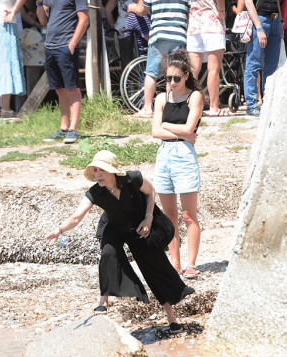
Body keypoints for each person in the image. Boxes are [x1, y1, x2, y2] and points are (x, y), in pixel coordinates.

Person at [45, 150, 195, 332]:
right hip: (114, 227)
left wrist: (148, 218)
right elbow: (76, 217)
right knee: (109, 253)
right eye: (95, 170)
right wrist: (59, 229)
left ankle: (171, 318)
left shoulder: (133, 179)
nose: (98, 174)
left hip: (139, 226)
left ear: (113, 171)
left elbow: (151, 192)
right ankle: (104, 301)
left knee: (153, 266)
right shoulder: (95, 192)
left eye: (102, 170)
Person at [152, 49, 202, 278]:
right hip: (164, 158)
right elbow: (155, 131)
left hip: (184, 158)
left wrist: (169, 128)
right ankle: (175, 262)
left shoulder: (194, 97)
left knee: (189, 215)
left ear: (186, 76)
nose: (171, 83)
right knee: (169, 216)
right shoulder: (161, 98)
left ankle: (191, 263)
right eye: (168, 78)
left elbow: (189, 128)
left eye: (176, 78)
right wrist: (181, 133)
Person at [37, 0, 88, 143]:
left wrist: (72, 44)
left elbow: (84, 19)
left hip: (66, 46)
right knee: (59, 89)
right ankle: (64, 127)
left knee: (72, 88)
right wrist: (39, 3)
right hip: (50, 46)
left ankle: (73, 129)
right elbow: (43, 20)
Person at [127, 0, 188, 118]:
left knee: (151, 73)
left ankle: (147, 108)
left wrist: (131, 7)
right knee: (173, 73)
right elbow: (189, 15)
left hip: (159, 35)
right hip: (179, 35)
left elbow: (142, 11)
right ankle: (171, 107)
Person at [241, 0, 281, 117]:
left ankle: (268, 101)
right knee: (253, 64)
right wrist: (258, 27)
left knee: (272, 66)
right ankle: (251, 104)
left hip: (276, 21)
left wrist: (281, 24)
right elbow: (248, 2)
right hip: (260, 19)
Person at [186, 0, 223, 115]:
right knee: (213, 69)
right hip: (212, 22)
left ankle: (191, 107)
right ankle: (214, 107)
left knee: (193, 70)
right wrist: (221, 11)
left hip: (194, 23)